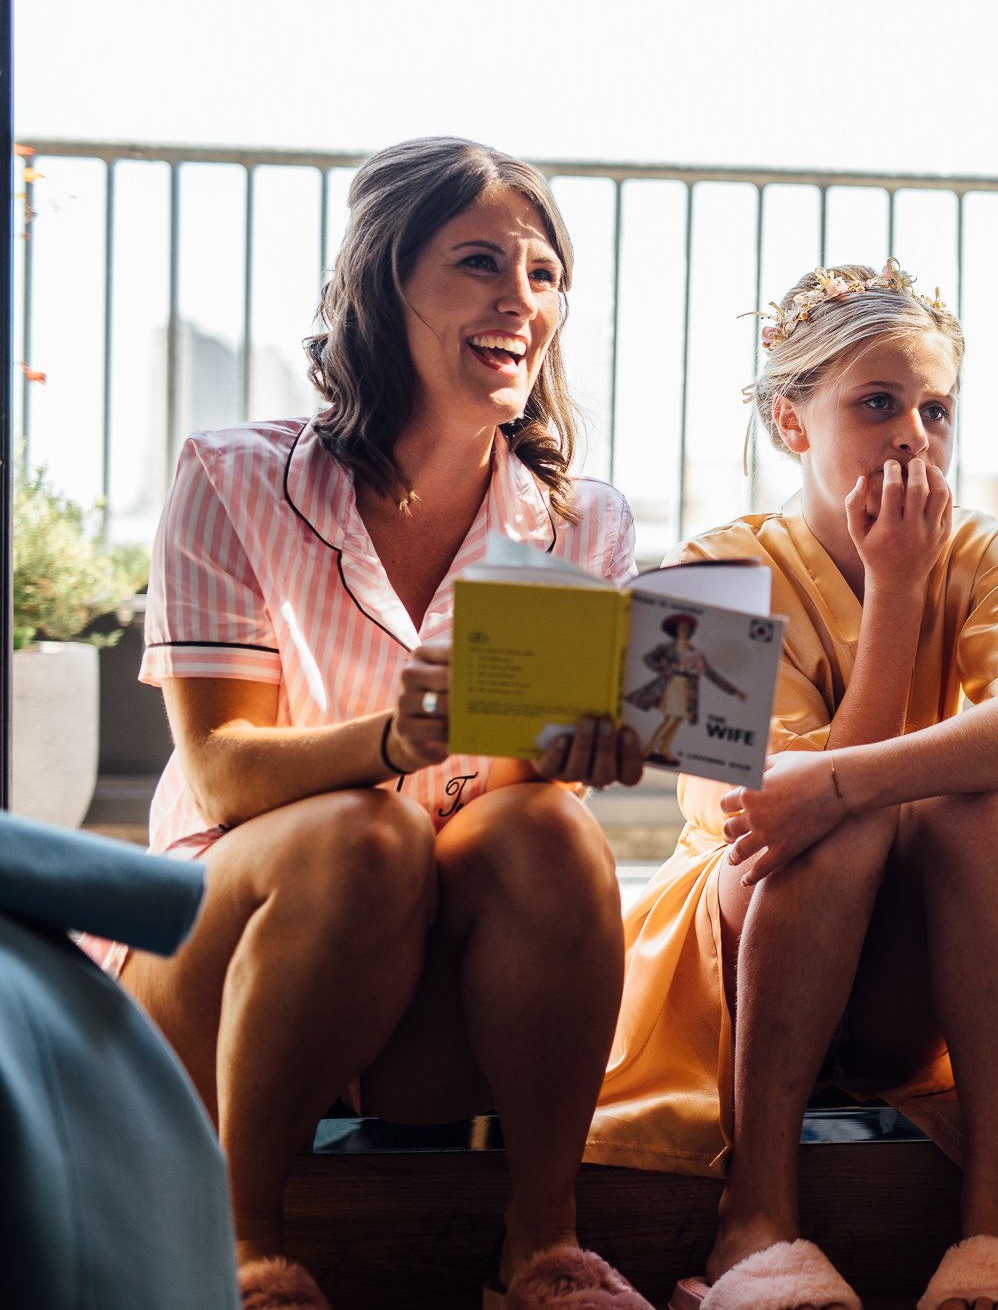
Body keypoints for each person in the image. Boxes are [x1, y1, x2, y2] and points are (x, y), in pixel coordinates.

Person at [98, 137, 653, 1310]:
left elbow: (501, 815)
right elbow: (220, 769)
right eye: (477, 263)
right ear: (384, 283)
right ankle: (238, 1247)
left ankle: (541, 1246)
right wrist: (391, 746)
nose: (520, 301)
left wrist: (575, 755)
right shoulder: (233, 478)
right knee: (364, 836)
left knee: (550, 829)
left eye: (544, 274)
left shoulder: (580, 522)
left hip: (429, 1004)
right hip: (221, 956)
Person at [586, 261, 998, 1310]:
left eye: (935, 410)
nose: (913, 435)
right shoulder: (703, 574)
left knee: (965, 799)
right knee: (840, 821)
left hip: (908, 970)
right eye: (876, 404)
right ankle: (755, 1215)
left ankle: (990, 1225)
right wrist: (897, 594)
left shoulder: (979, 550)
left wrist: (907, 596)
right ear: (790, 422)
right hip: (746, 952)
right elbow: (771, 807)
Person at [629, 612, 746, 766]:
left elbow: (710, 673)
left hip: (686, 687)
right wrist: (661, 667)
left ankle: (664, 748)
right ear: (675, 630)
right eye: (680, 629)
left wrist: (734, 690)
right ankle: (648, 749)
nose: (683, 632)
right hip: (671, 684)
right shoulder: (666, 648)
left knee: (679, 718)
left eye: (686, 629)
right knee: (671, 717)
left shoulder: (695, 652)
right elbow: (648, 659)